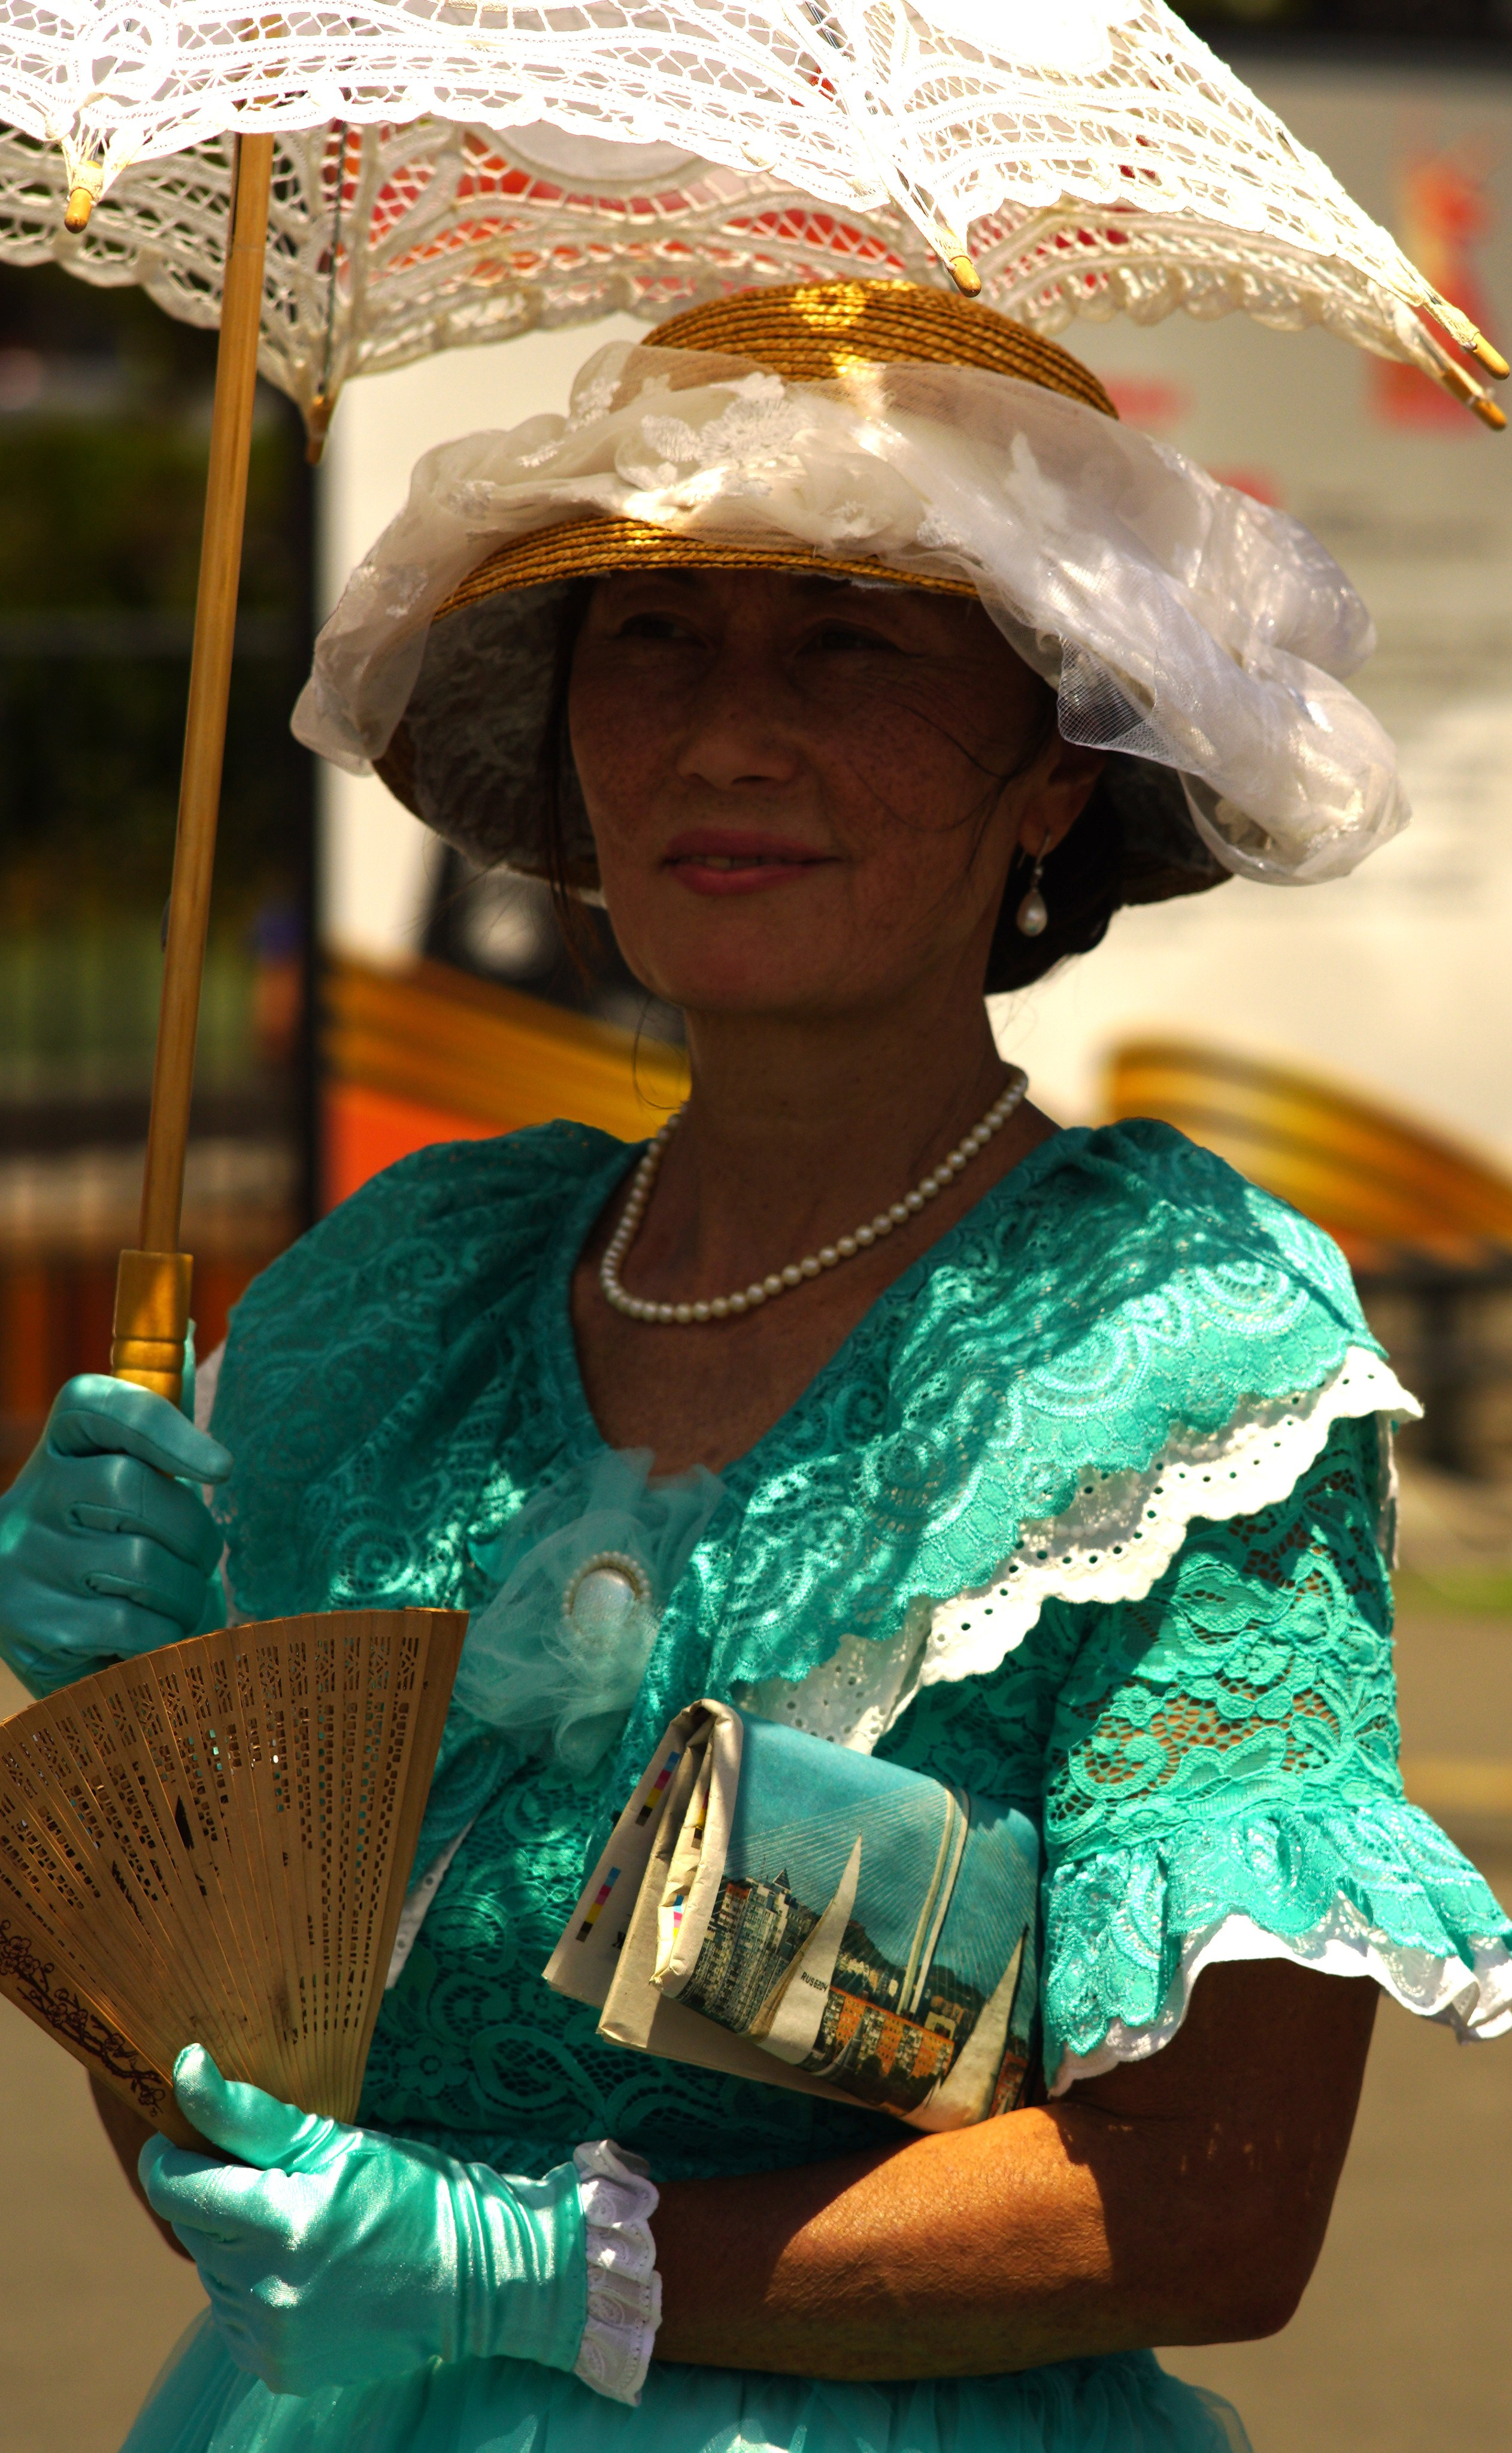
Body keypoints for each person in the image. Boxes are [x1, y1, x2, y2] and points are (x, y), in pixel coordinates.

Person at [3, 280, 1510, 2453]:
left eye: (851, 642)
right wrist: (131, 1734)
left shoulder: (1172, 1344)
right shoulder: (401, 1297)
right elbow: (236, 2184)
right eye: (654, 637)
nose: (725, 735)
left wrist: (555, 2272)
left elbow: (1219, 2206)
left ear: (1053, 771)